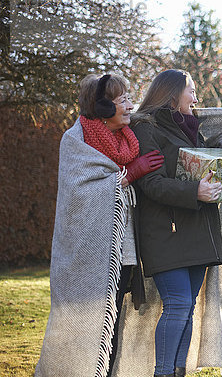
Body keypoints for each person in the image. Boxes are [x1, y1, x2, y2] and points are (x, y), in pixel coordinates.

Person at [36, 73, 164, 377]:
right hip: (88, 258)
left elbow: (180, 112)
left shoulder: (128, 139)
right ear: (104, 107)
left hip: (124, 254)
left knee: (113, 325)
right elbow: (80, 195)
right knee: (82, 327)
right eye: (124, 100)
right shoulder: (76, 140)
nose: (131, 105)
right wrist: (129, 174)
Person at [130, 69, 222, 377]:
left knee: (188, 308)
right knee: (179, 304)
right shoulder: (146, 127)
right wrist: (195, 190)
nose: (196, 97)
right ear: (172, 93)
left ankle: (178, 371)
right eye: (192, 91)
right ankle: (162, 372)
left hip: (197, 229)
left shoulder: (194, 128)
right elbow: (151, 184)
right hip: (164, 230)